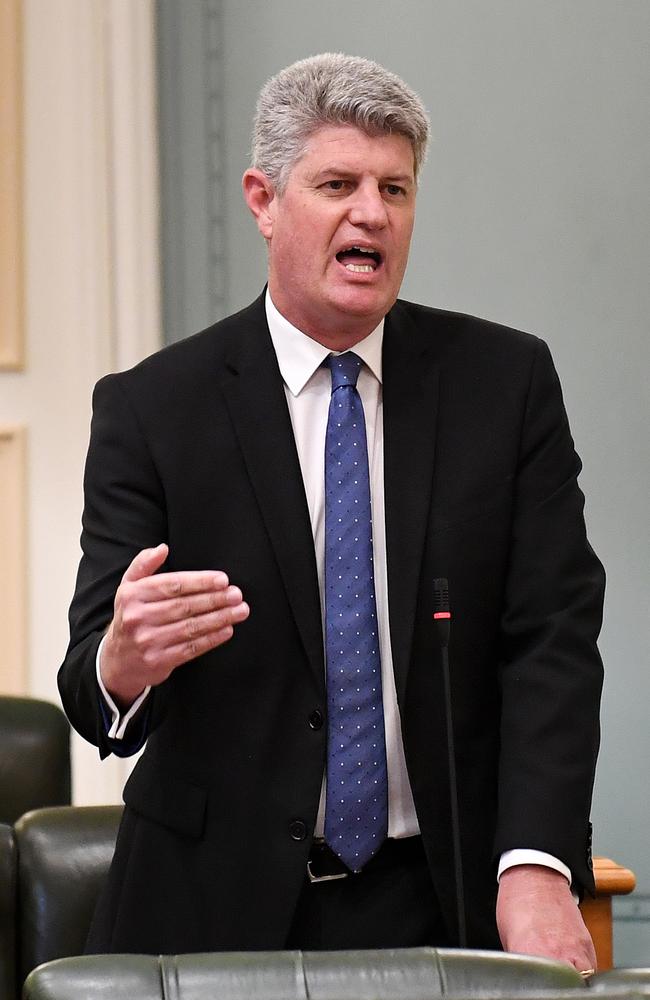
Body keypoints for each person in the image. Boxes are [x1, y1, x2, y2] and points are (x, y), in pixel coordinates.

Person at [59, 53, 603, 971]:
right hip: (212, 910)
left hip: (445, 893)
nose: (373, 213)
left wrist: (538, 864)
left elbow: (551, 638)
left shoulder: (503, 386)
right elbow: (92, 691)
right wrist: (124, 661)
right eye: (338, 183)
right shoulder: (155, 407)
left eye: (395, 187)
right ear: (263, 200)